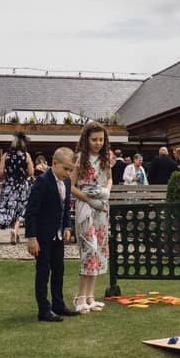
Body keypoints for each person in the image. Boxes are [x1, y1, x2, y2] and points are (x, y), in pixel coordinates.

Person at [19, 147, 79, 323]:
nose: (68, 173)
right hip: (43, 236)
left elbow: (66, 207)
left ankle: (58, 305)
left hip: (59, 235)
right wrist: (32, 238)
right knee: (43, 272)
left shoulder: (67, 183)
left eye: (71, 170)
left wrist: (67, 227)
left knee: (59, 270)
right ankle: (44, 310)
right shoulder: (43, 181)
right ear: (54, 164)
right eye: (65, 169)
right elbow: (31, 212)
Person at [70, 122, 113, 313]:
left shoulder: (107, 157)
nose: (98, 143)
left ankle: (90, 296)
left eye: (101, 140)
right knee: (89, 248)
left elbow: (109, 178)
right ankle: (79, 297)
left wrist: (106, 191)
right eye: (94, 139)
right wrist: (89, 199)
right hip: (85, 207)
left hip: (102, 207)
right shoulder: (79, 158)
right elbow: (71, 186)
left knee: (99, 250)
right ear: (86, 139)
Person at [0, 132, 35, 243]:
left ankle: (14, 231)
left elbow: (0, 172)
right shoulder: (26, 155)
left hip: (9, 184)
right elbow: (31, 172)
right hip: (22, 184)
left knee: (11, 207)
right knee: (21, 208)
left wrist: (9, 174)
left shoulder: (6, 155)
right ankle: (15, 229)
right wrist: (23, 175)